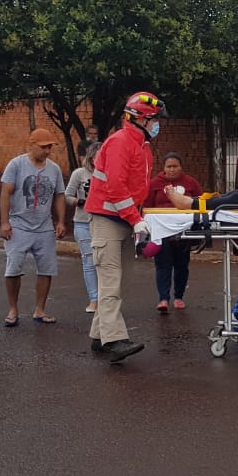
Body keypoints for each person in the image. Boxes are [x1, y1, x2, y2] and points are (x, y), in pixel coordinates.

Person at [84, 91, 167, 363]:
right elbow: (116, 188)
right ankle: (114, 340)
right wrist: (136, 219)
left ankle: (99, 335)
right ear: (141, 119)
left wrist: (140, 219)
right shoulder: (121, 142)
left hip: (124, 220)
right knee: (110, 282)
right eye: (155, 120)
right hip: (107, 220)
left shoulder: (142, 146)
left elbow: (136, 190)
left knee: (120, 282)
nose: (158, 125)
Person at [0, 128, 68, 327]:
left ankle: (40, 309)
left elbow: (59, 195)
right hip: (19, 224)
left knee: (47, 269)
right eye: (43, 147)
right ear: (32, 145)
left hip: (44, 225)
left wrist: (61, 221)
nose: (47, 151)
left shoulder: (54, 169)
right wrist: (5, 222)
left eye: (50, 147)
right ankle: (13, 309)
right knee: (13, 268)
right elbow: (5, 192)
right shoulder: (16, 165)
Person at [144, 152, 203, 312]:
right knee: (162, 265)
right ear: (163, 168)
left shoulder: (190, 183)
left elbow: (200, 203)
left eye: (175, 166)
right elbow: (146, 206)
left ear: (181, 167)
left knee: (182, 265)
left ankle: (179, 297)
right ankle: (163, 299)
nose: (172, 170)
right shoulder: (154, 184)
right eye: (168, 166)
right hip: (161, 232)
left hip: (184, 232)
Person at [65, 141, 101, 314]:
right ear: (91, 157)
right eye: (96, 155)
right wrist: (80, 202)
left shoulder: (109, 173)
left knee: (105, 262)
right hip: (83, 222)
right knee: (89, 261)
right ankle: (94, 299)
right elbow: (67, 195)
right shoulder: (79, 174)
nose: (99, 159)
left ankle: (106, 298)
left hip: (103, 223)